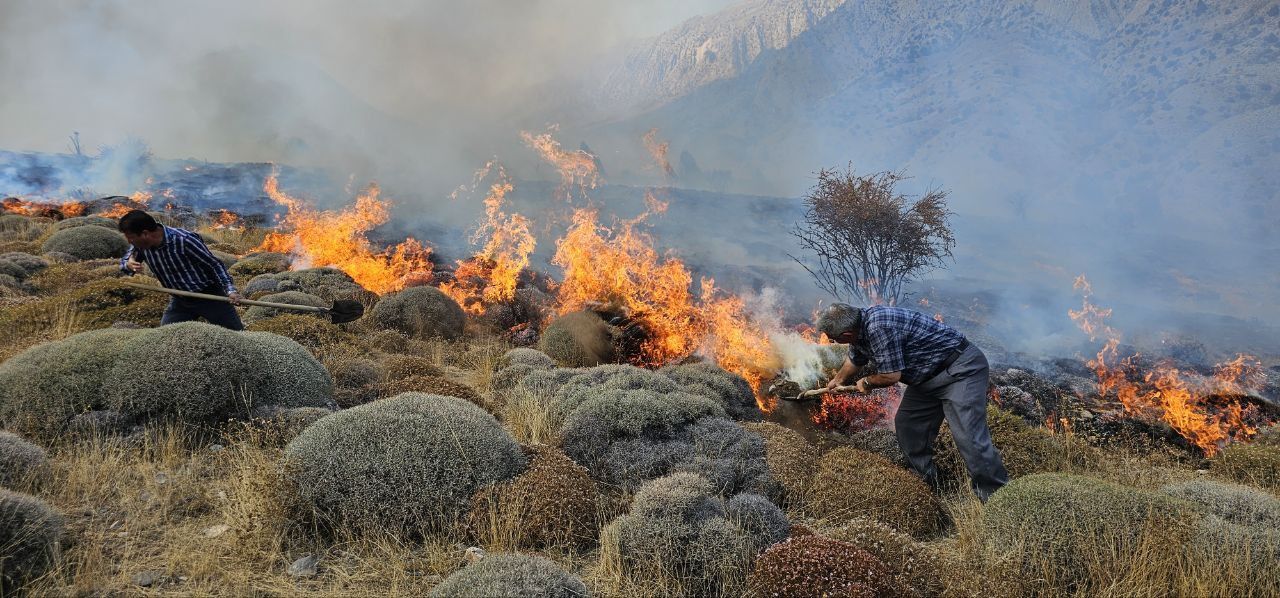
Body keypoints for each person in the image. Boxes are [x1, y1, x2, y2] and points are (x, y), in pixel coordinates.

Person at [816, 302, 1008, 501]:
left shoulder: (879, 327)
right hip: (927, 379)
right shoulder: (859, 329)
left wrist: (866, 382)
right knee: (908, 425)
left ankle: (996, 498)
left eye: (834, 339)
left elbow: (891, 376)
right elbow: (855, 359)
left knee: (969, 437)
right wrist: (837, 381)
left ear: (847, 334)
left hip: (960, 370)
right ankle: (927, 481)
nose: (831, 341)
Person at [117, 210, 245, 330]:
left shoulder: (184, 240)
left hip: (209, 296)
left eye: (131, 237)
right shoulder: (140, 245)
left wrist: (230, 291)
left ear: (145, 233)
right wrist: (128, 265)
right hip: (180, 301)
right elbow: (127, 262)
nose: (129, 241)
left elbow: (214, 265)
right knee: (166, 337)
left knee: (237, 335)